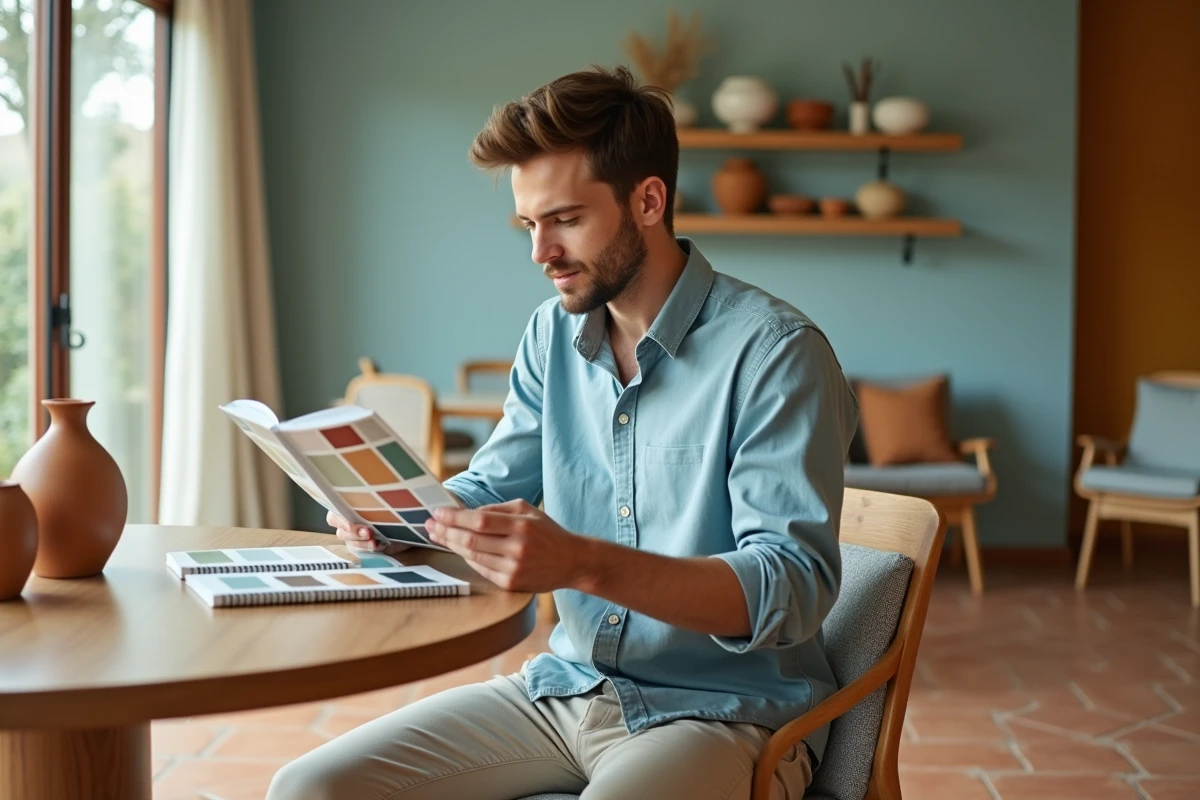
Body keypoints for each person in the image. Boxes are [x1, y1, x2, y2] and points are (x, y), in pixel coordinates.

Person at [266, 64, 858, 800]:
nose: (539, 252)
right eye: (529, 224)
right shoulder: (553, 334)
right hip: (565, 687)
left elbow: (792, 587)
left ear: (648, 200)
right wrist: (402, 518)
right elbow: (489, 484)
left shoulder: (774, 353)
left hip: (724, 713)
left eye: (565, 220)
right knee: (310, 789)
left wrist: (582, 562)